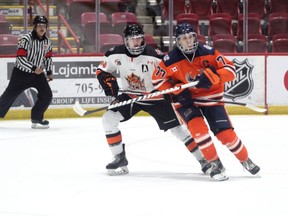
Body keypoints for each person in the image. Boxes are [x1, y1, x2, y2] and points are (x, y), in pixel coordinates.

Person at [96, 23, 211, 176]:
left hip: (155, 96)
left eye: (139, 39)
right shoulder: (114, 54)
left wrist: (177, 88)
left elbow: (171, 74)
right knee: (108, 119)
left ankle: (203, 160)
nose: (136, 43)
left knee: (178, 130)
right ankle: (119, 157)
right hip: (131, 96)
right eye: (133, 40)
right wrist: (107, 81)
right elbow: (102, 70)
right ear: (126, 40)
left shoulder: (154, 55)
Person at [151, 23, 260, 181]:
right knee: (199, 131)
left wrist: (213, 75)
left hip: (211, 96)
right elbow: (157, 80)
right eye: (184, 39)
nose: (188, 41)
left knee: (226, 134)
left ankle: (245, 160)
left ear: (196, 37)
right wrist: (177, 90)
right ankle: (215, 163)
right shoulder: (169, 60)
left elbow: (230, 71)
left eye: (191, 37)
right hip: (185, 101)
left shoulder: (208, 52)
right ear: (177, 41)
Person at [0, 15, 53, 129]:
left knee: (47, 95)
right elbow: (20, 58)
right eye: (39, 25)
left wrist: (48, 71)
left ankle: (37, 118)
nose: (42, 28)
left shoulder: (47, 41)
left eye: (44, 26)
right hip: (21, 74)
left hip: (37, 74)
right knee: (8, 96)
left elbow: (47, 57)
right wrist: (34, 68)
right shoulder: (26, 39)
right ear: (34, 26)